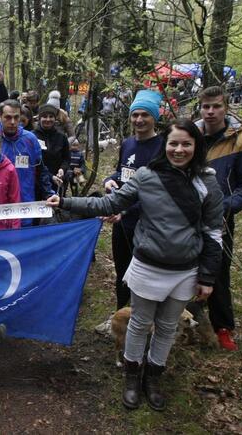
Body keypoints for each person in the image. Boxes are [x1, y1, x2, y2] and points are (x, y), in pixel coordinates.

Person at [47, 119, 224, 412]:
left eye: (186, 144)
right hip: (147, 265)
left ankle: (153, 378)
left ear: (197, 146)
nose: (179, 150)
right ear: (164, 145)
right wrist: (65, 202)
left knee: (167, 328)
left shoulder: (207, 182)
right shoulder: (146, 176)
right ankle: (132, 377)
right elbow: (109, 204)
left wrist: (207, 275)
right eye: (173, 143)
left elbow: (213, 232)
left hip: (185, 270)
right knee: (140, 323)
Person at [194, 86, 242, 351]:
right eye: (206, 106)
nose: (211, 112)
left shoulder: (241, 141)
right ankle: (186, 320)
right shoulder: (192, 134)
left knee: (218, 272)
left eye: (217, 106)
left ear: (226, 107)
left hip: (220, 219)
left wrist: (224, 207)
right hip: (187, 217)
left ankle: (223, 327)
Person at [94, 90, 164, 333]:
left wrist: (125, 210)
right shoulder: (128, 143)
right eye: (135, 115)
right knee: (122, 272)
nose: (139, 120)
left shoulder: (163, 147)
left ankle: (143, 322)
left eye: (145, 115)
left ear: (155, 117)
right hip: (121, 222)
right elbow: (123, 174)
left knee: (142, 276)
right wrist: (108, 180)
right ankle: (119, 317)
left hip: (147, 225)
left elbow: (158, 191)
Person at [0, 99, 54, 220]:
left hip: (25, 203)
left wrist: (48, 193)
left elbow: (41, 169)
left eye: (16, 117)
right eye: (8, 117)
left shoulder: (30, 139)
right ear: (0, 117)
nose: (13, 122)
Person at [32, 104, 71, 193]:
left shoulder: (61, 137)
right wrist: (50, 176)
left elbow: (67, 158)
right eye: (44, 117)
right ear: (39, 118)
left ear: (55, 118)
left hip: (58, 181)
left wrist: (62, 169)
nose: (48, 119)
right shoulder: (32, 136)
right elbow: (33, 162)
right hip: (36, 182)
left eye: (51, 117)